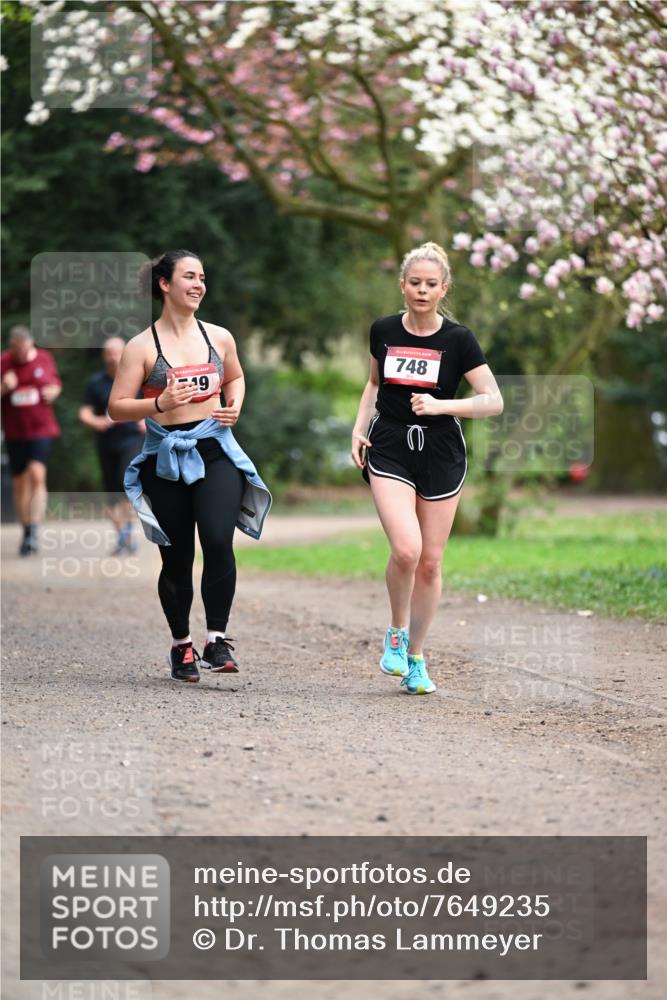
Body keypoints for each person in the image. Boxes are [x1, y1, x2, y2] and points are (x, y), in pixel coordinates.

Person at [109, 250, 271, 683]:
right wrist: (158, 403)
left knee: (218, 540)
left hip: (215, 450)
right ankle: (182, 646)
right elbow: (117, 407)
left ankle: (216, 640)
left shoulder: (219, 337)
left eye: (202, 277)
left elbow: (234, 377)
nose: (198, 284)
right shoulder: (141, 347)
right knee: (176, 557)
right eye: (189, 277)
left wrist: (234, 404)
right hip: (166, 460)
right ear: (165, 284)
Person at [351, 242, 503, 695]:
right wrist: (358, 429)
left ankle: (415, 656)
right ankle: (396, 633)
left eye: (430, 284)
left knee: (431, 564)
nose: (421, 290)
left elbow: (493, 400)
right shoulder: (382, 330)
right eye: (414, 283)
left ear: (444, 289)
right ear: (402, 286)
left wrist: (442, 405)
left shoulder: (459, 340)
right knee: (406, 550)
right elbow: (374, 383)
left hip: (440, 450)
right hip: (392, 444)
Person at [79, 337, 145, 555]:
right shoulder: (95, 382)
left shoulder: (137, 378)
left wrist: (147, 420)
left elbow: (155, 403)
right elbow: (84, 411)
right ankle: (122, 537)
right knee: (111, 494)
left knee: (126, 484)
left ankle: (126, 534)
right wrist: (94, 421)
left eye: (117, 352)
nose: (113, 356)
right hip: (106, 441)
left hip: (131, 439)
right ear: (103, 356)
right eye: (109, 352)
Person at [0, 325, 62, 556]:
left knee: (37, 473)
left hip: (41, 428)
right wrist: (5, 387)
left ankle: (35, 528)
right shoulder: (3, 362)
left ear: (31, 344)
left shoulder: (44, 358)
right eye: (17, 350)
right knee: (19, 483)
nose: (22, 355)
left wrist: (54, 391)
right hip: (15, 431)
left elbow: (55, 383)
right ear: (11, 347)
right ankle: (26, 530)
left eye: (26, 349)